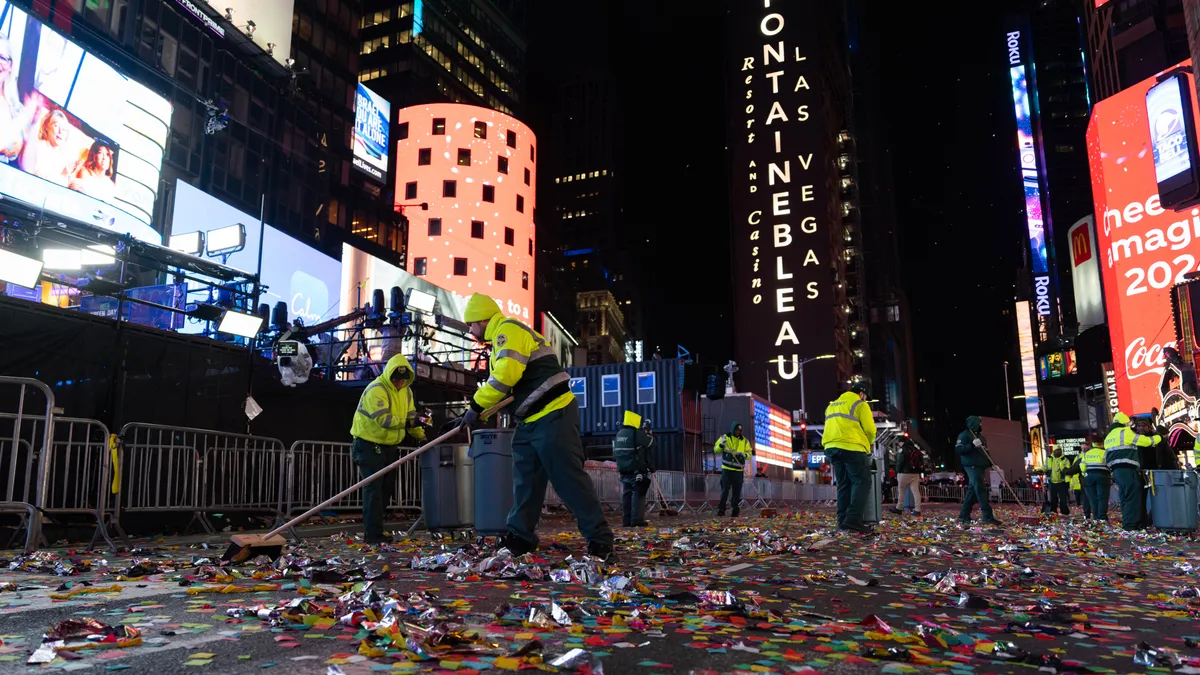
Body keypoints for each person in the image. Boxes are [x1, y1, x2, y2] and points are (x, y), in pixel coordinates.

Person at [458, 293, 615, 560]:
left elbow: (505, 377)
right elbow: (512, 386)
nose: (470, 330)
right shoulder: (501, 341)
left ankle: (600, 540)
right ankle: (520, 537)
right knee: (526, 483)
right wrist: (481, 409)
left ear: (482, 319)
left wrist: (475, 406)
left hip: (553, 414)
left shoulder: (506, 331)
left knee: (568, 480)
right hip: (531, 420)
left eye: (470, 324)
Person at [349, 354, 426, 545]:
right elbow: (384, 420)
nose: (400, 382)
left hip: (389, 446)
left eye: (403, 379)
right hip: (368, 445)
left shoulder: (406, 392)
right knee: (373, 491)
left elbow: (411, 417)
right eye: (396, 378)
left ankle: (377, 531)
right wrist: (412, 422)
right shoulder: (376, 389)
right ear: (389, 375)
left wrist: (421, 437)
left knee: (385, 491)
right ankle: (373, 536)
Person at [822, 382, 877, 533]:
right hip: (852, 447)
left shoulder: (832, 405)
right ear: (861, 393)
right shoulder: (860, 404)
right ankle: (853, 519)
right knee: (862, 482)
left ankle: (843, 521)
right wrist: (869, 443)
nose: (865, 400)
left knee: (843, 484)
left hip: (831, 447)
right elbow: (870, 429)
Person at [1104, 411, 1160, 531]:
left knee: (1125, 498)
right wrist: (1158, 437)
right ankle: (1131, 526)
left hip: (1117, 471)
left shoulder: (1109, 436)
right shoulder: (1125, 432)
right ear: (1125, 423)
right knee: (1133, 498)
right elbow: (1146, 442)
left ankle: (1128, 524)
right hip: (1128, 470)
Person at [956, 416, 1002, 525]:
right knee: (980, 490)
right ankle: (987, 516)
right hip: (972, 465)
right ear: (974, 423)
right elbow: (959, 449)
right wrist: (972, 445)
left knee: (972, 491)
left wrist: (992, 464)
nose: (981, 425)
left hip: (980, 466)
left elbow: (985, 452)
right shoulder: (965, 435)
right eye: (980, 423)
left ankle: (963, 515)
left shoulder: (980, 437)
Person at [613, 410, 654, 527]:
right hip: (636, 470)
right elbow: (651, 443)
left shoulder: (619, 434)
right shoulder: (636, 433)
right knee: (638, 494)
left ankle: (626, 520)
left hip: (623, 470)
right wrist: (649, 434)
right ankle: (637, 520)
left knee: (626, 494)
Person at [20, 108, 78, 185]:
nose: (60, 131)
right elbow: (37, 179)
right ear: (46, 126)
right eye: (56, 126)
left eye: (64, 129)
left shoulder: (63, 157)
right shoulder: (37, 147)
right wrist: (62, 175)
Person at [715, 422, 752, 517]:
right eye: (736, 430)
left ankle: (735, 509)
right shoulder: (724, 438)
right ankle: (721, 509)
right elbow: (716, 450)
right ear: (732, 429)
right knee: (725, 490)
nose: (738, 432)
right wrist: (721, 445)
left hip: (738, 470)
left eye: (739, 430)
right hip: (727, 469)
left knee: (736, 492)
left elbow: (749, 453)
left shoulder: (745, 441)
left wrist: (744, 455)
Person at [1081, 432, 1110, 522]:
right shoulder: (1105, 453)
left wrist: (1085, 474)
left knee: (1093, 498)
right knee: (1102, 497)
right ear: (1102, 443)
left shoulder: (1087, 454)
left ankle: (1096, 517)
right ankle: (1102, 517)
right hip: (1102, 475)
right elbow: (1109, 464)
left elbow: (1082, 466)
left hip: (1089, 476)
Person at [891, 436, 924, 516]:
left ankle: (899, 508)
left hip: (904, 474)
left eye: (899, 442)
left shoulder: (902, 449)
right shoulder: (916, 449)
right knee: (916, 492)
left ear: (902, 442)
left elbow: (899, 462)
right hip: (915, 474)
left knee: (901, 491)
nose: (898, 444)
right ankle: (917, 510)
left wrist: (897, 472)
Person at [1045, 446, 1071, 516]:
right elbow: (1045, 467)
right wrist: (1041, 470)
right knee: (1053, 499)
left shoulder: (1065, 460)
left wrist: (1067, 481)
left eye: (1060, 450)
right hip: (1052, 482)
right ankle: (1053, 512)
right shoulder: (1049, 459)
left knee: (1063, 500)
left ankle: (1065, 513)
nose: (1059, 451)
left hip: (1062, 482)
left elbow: (1068, 471)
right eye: (1057, 450)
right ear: (1053, 451)